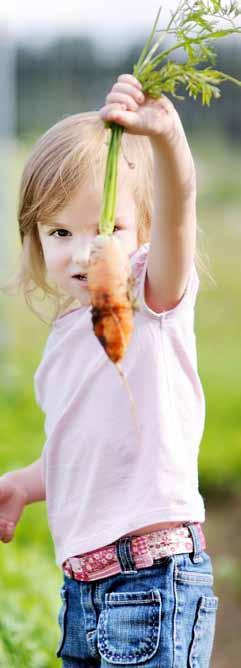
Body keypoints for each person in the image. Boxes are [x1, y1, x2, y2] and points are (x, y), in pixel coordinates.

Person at [0, 73, 219, 667]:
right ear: (35, 238)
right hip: (82, 592)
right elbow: (84, 448)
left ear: (141, 235)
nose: (82, 251)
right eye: (59, 232)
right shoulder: (63, 342)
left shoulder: (152, 300)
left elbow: (179, 216)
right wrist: (25, 483)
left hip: (151, 580)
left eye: (107, 228)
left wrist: (169, 142)